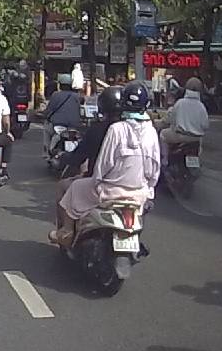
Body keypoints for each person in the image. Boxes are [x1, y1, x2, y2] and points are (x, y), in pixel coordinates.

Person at [50, 82, 160, 247]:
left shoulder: (116, 129)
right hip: (140, 192)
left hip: (109, 191)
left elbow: (104, 164)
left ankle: (67, 232)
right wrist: (148, 188)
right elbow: (154, 167)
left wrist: (97, 182)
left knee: (72, 188)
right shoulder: (150, 130)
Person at [62, 85, 123, 177]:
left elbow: (78, 157)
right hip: (138, 182)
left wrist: (65, 157)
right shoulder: (138, 131)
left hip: (102, 181)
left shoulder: (97, 129)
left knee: (64, 184)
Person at [159, 76, 210, 157]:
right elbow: (205, 125)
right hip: (196, 139)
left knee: (162, 134)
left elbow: (171, 119)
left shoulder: (180, 103)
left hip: (180, 136)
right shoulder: (201, 106)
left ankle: (164, 159)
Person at [40, 74, 84, 157]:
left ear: (60, 85)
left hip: (58, 124)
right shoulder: (76, 96)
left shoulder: (56, 95)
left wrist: (44, 114)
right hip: (74, 125)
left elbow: (50, 109)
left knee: (46, 129)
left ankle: (47, 153)